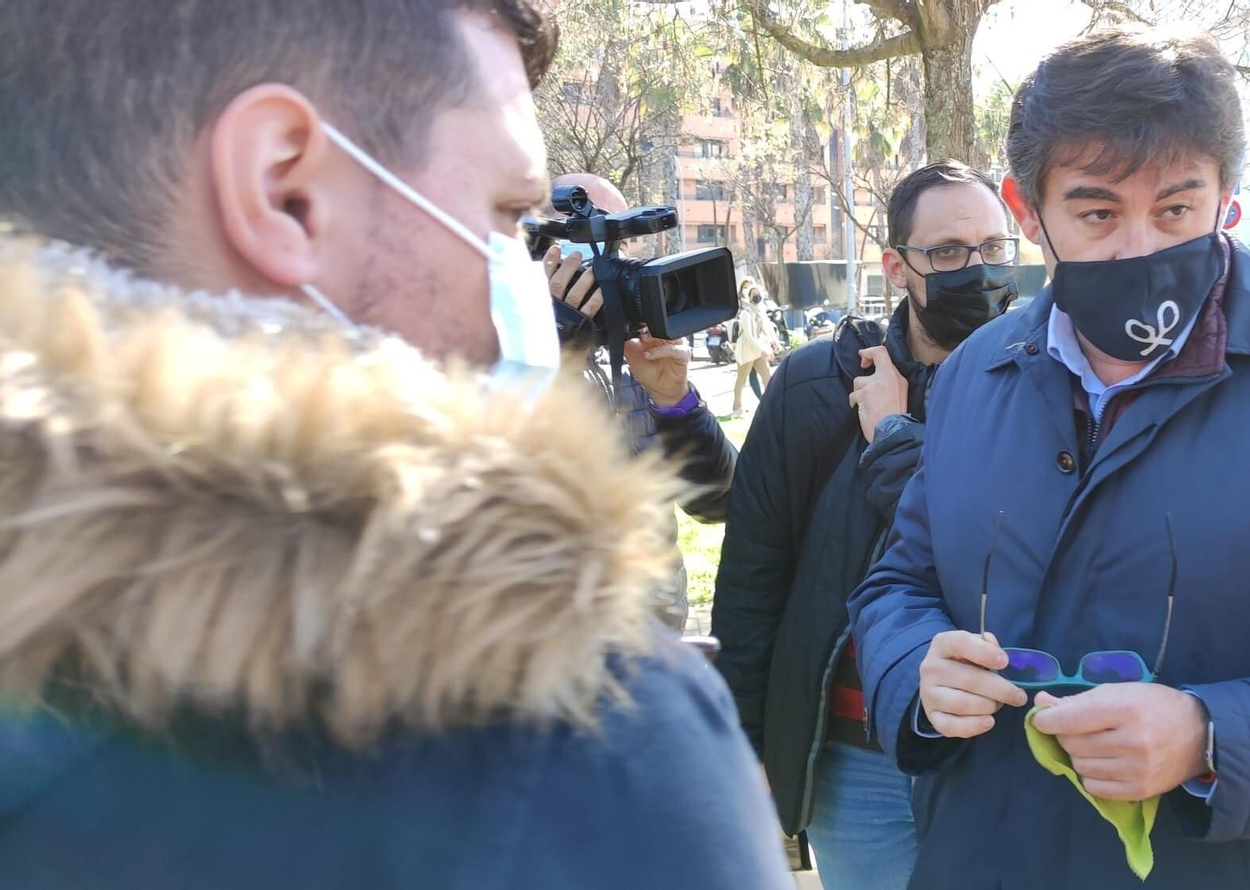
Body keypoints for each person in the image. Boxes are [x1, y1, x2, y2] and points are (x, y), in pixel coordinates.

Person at [0, 3, 790, 888]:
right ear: (284, 190)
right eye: (507, 217)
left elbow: (716, 492)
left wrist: (670, 398)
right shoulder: (597, 753)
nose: (524, 283)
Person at [847, 28, 1250, 890]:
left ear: (1225, 198)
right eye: (1096, 213)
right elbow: (900, 583)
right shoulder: (978, 371)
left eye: (1175, 209)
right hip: (983, 857)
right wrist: (917, 672)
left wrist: (1211, 736)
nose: (1139, 251)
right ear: (1026, 209)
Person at [715, 160, 1019, 890]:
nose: (974, 270)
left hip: (996, 753)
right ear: (897, 265)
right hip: (854, 763)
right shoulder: (815, 385)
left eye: (993, 249)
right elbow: (756, 578)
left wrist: (892, 436)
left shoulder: (1043, 386)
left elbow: (987, 549)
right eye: (947, 253)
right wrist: (746, 747)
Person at [539, 171, 738, 629]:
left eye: (617, 239)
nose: (603, 257)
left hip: (654, 644)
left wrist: (676, 404)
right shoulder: (499, 348)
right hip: (550, 651)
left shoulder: (637, 357)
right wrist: (553, 348)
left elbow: (717, 503)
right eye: (586, 236)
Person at [731, 285, 778, 415]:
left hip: (759, 350)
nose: (756, 296)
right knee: (742, 379)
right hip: (747, 350)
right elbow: (749, 335)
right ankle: (737, 408)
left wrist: (774, 343)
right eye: (753, 293)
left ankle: (771, 404)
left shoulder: (760, 311)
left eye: (757, 293)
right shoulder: (746, 314)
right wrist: (762, 350)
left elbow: (766, 330)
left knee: (766, 376)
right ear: (748, 296)